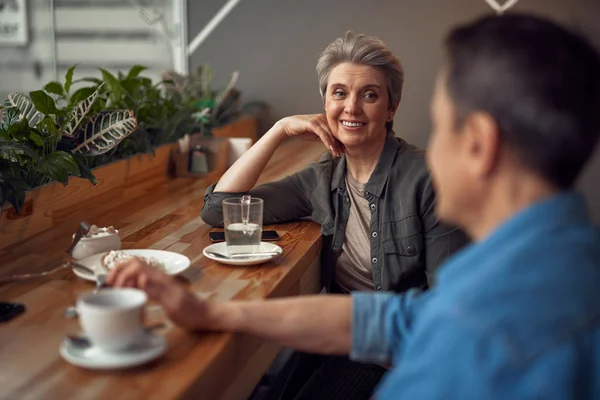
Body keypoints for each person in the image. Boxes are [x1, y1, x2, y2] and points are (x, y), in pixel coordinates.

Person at [108, 12, 600, 400]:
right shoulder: (548, 265)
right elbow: (393, 321)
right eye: (339, 94)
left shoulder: (481, 332)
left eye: (441, 124)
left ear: (477, 143)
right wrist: (213, 313)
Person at [199, 31, 468, 398]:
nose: (352, 108)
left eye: (369, 95)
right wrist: (279, 131)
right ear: (325, 102)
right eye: (339, 93)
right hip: (340, 333)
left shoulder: (428, 178)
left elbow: (450, 308)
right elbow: (218, 209)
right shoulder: (323, 176)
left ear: (391, 108)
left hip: (398, 355)